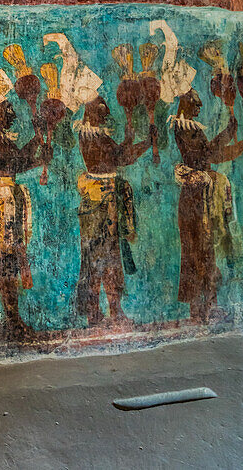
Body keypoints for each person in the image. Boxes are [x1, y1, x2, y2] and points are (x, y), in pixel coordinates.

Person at [0, 66, 49, 340]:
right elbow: (10, 163)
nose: (13, 113)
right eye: (8, 108)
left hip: (5, 207)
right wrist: (36, 157)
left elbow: (16, 160)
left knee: (8, 267)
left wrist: (37, 143)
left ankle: (12, 321)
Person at [170, 79, 243, 324]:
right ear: (185, 103)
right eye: (196, 102)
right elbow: (206, 155)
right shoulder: (184, 127)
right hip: (195, 197)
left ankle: (206, 305)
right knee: (198, 251)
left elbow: (206, 154)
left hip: (197, 196)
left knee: (203, 251)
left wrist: (230, 138)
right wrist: (231, 139)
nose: (200, 106)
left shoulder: (190, 127)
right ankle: (202, 307)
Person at [75, 95, 154, 327]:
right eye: (101, 107)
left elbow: (119, 155)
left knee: (109, 259)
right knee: (98, 260)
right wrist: (142, 143)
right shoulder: (90, 135)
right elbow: (120, 157)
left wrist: (135, 142)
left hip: (105, 203)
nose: (106, 111)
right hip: (99, 205)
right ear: (89, 110)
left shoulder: (97, 134)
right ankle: (97, 312)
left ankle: (113, 310)